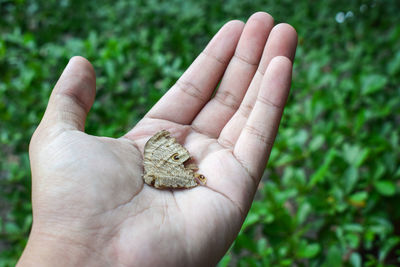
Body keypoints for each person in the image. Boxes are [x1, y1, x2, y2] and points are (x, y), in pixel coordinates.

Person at [17, 12, 297, 266]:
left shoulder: (171, 162)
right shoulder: (162, 167)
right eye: (178, 155)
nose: (185, 156)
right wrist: (81, 241)